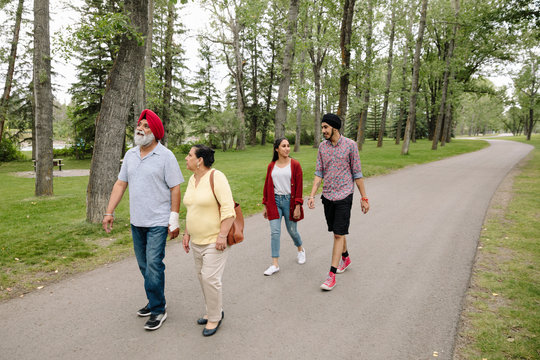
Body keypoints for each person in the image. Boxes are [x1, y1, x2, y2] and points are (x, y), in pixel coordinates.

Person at [102, 109, 184, 330]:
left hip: (158, 221)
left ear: (155, 132)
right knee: (144, 266)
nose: (141, 128)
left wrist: (174, 219)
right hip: (137, 221)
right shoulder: (130, 155)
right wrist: (109, 212)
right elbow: (120, 184)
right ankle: (154, 299)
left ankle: (158, 310)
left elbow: (175, 188)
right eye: (140, 124)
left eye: (146, 126)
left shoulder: (166, 156)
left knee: (154, 266)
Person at [307, 113, 369, 291]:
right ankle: (346, 258)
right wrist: (312, 195)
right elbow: (319, 172)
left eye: (326, 127)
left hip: (344, 195)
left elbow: (357, 173)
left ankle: (331, 275)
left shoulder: (350, 145)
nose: (323, 131)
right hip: (328, 196)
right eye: (322, 127)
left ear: (335, 127)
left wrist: (364, 198)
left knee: (337, 235)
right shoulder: (322, 147)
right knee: (337, 231)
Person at [182, 144, 235, 337]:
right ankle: (213, 310)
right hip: (196, 240)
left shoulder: (216, 177)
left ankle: (215, 317)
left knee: (210, 278)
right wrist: (187, 233)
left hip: (215, 240)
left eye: (189, 155)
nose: (186, 158)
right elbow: (191, 208)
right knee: (202, 278)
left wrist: (222, 235)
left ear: (200, 160)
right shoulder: (192, 179)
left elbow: (228, 209)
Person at [262, 138, 305, 276]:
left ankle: (300, 249)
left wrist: (298, 205)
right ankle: (275, 264)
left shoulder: (295, 164)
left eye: (288, 146)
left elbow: (299, 186)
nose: (287, 148)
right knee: (275, 233)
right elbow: (267, 186)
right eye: (283, 146)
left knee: (292, 231)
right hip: (275, 202)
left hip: (290, 202)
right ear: (277, 149)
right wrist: (265, 205)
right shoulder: (271, 166)